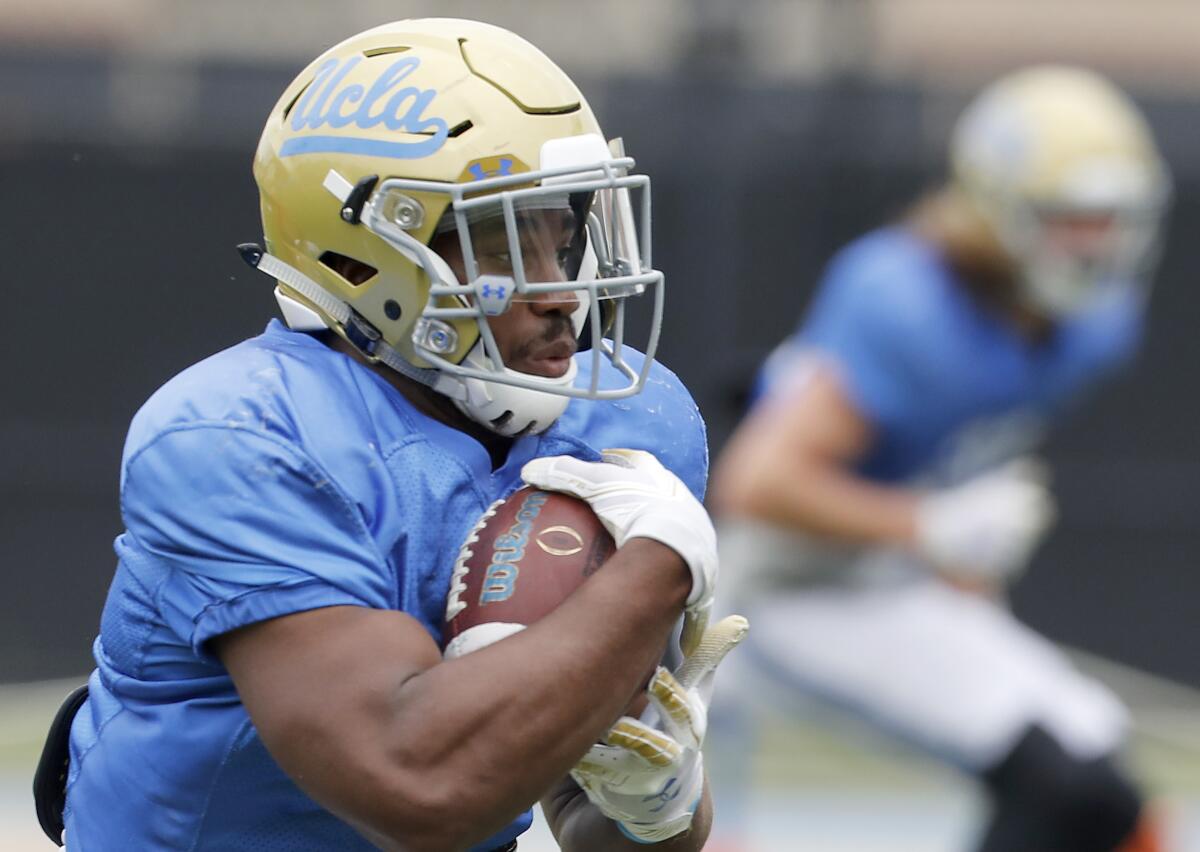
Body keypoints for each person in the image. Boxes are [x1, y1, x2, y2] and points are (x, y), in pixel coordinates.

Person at [44, 19, 746, 851]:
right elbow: (420, 786)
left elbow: (579, 809)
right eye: (499, 242)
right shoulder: (242, 435)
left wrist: (657, 801)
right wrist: (657, 567)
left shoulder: (624, 423)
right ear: (356, 260)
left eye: (563, 235)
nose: (560, 291)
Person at [708, 65, 1170, 852]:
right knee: (1062, 779)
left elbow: (953, 443)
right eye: (1070, 217)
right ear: (997, 206)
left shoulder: (1095, 322)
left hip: (898, 580)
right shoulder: (906, 301)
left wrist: (955, 548)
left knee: (1101, 789)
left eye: (1110, 218)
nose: (1095, 243)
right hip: (790, 593)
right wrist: (930, 525)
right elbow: (756, 482)